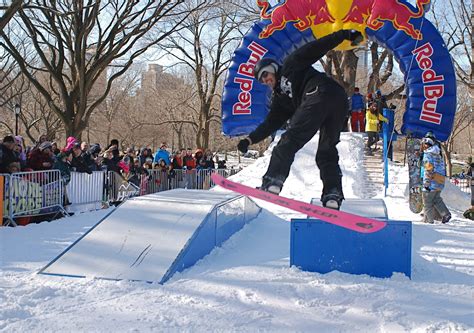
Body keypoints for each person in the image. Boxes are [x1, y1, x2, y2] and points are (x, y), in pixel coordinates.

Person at [237, 29, 363, 209]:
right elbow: (270, 123)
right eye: (261, 80)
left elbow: (316, 48)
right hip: (338, 102)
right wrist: (250, 139)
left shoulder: (290, 64)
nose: (265, 80)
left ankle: (273, 181)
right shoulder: (280, 99)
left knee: (289, 140)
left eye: (265, 74)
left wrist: (344, 35)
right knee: (326, 152)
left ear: (272, 67)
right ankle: (332, 194)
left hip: (321, 93)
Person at [421, 137, 451, 224]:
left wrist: (426, 183)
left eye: (423, 144)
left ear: (426, 145)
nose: (422, 146)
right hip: (440, 181)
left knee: (427, 202)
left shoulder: (428, 155)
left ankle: (428, 221)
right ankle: (445, 214)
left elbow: (428, 169)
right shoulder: (438, 155)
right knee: (436, 199)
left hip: (431, 181)